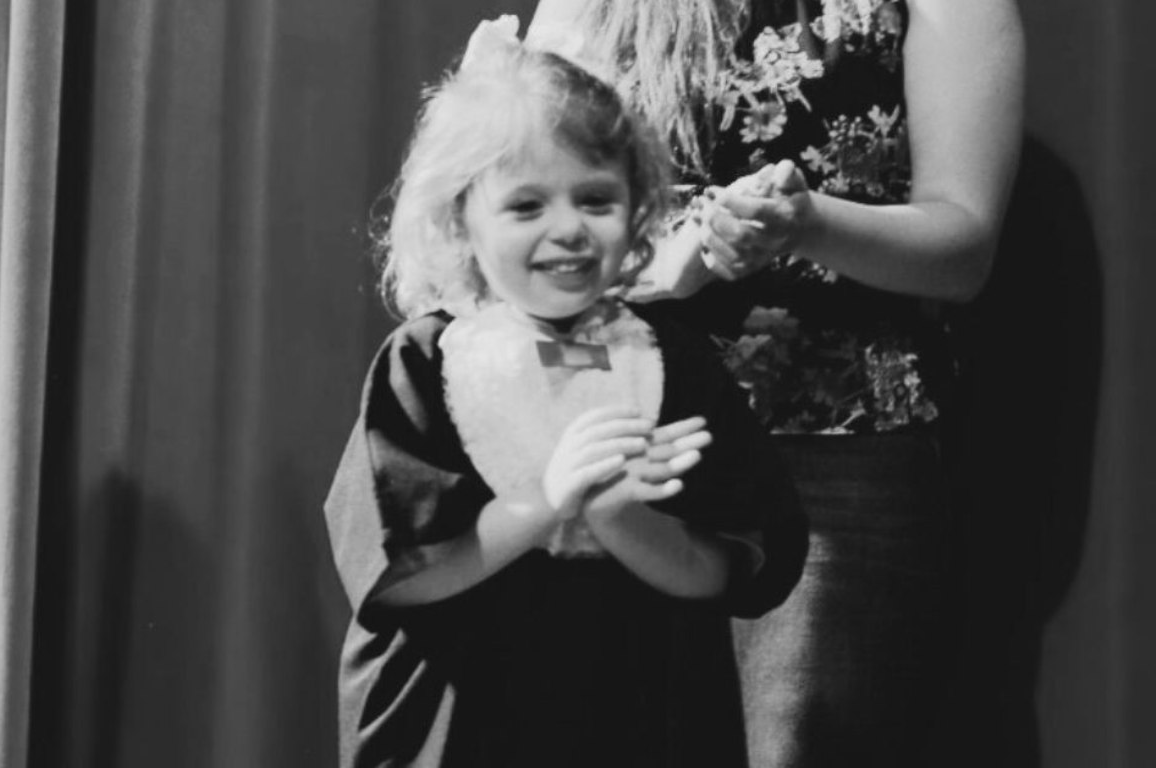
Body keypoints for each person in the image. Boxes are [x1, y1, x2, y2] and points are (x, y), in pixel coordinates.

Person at [526, 1, 1025, 766]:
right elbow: (528, 210)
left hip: (836, 459)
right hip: (615, 440)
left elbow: (964, 250)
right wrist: (652, 257)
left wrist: (808, 223)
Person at [324, 18, 806, 767]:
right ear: (461, 218)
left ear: (638, 206)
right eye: (526, 205)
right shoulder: (427, 362)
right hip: (465, 725)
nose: (569, 228)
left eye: (595, 198)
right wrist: (547, 500)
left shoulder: (671, 362)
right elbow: (400, 575)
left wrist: (622, 517)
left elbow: (728, 568)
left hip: (640, 719)